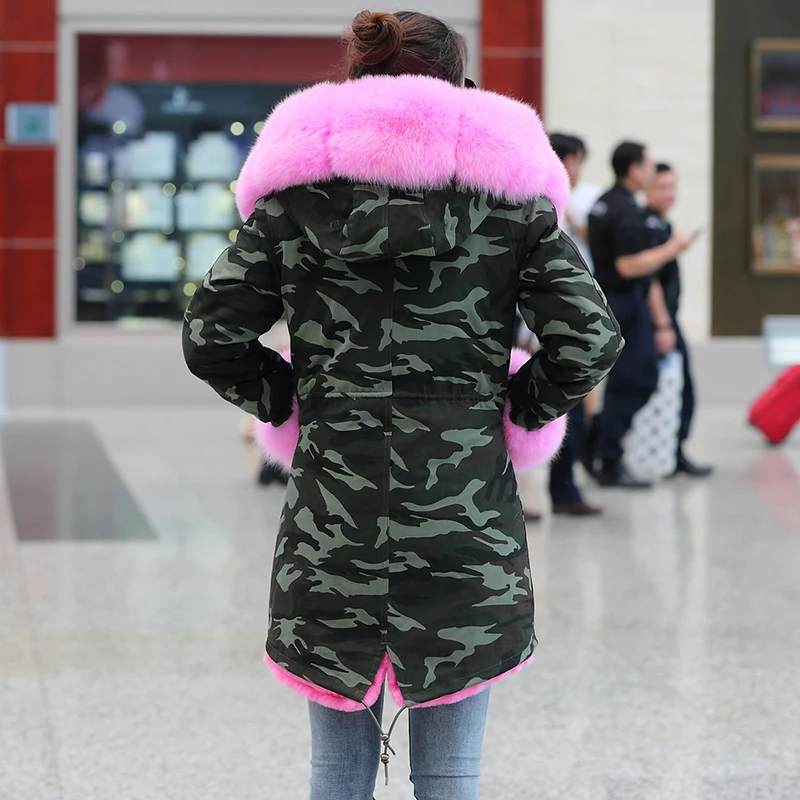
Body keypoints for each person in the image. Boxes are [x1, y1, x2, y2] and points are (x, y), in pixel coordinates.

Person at [183, 10, 622, 800]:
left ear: (357, 80)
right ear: (457, 84)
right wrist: (513, 408)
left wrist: (293, 401)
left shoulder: (292, 205)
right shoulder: (510, 205)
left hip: (333, 517)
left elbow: (210, 336)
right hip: (466, 519)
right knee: (451, 774)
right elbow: (589, 338)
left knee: (336, 770)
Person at [588, 141, 694, 488]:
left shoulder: (605, 203)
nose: (651, 172)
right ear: (635, 169)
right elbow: (629, 265)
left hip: (613, 302)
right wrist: (671, 248)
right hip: (625, 305)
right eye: (649, 166)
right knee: (638, 379)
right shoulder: (625, 211)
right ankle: (607, 453)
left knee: (628, 380)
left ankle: (601, 447)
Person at [547, 133, 603, 516]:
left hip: (578, 312)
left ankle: (566, 489)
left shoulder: (587, 199)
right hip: (552, 314)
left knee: (579, 404)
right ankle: (560, 491)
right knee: (562, 406)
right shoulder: (537, 196)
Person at [644, 163, 712, 476]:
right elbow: (649, 280)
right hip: (657, 323)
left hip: (668, 319)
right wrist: (662, 324)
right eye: (662, 187)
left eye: (673, 186)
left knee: (682, 387)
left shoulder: (662, 224)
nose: (670, 194)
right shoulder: (647, 226)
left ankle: (674, 451)